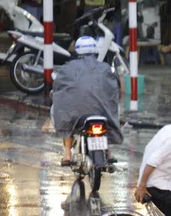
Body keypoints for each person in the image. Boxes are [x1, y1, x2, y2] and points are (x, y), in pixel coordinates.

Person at [51, 36, 123, 166]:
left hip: (76, 115)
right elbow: (117, 89)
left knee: (62, 111)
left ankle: (67, 154)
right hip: (102, 113)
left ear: (77, 51)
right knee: (112, 110)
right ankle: (109, 152)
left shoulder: (67, 69)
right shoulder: (106, 68)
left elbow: (57, 87)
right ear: (95, 50)